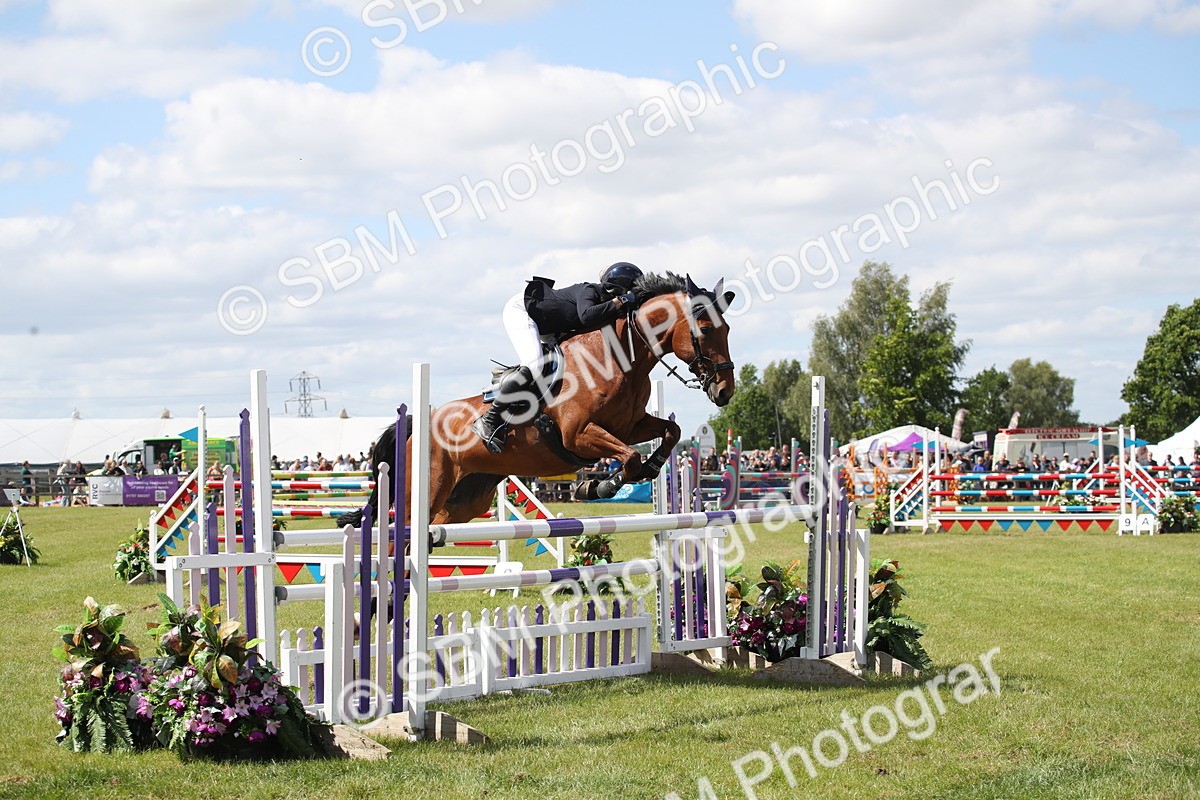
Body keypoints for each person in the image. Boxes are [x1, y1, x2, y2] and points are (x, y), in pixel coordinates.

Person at [473, 262, 645, 454]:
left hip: (550, 325)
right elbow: (587, 316)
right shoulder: (589, 290)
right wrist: (621, 301)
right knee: (534, 365)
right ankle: (488, 419)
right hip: (524, 310)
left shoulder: (606, 305)